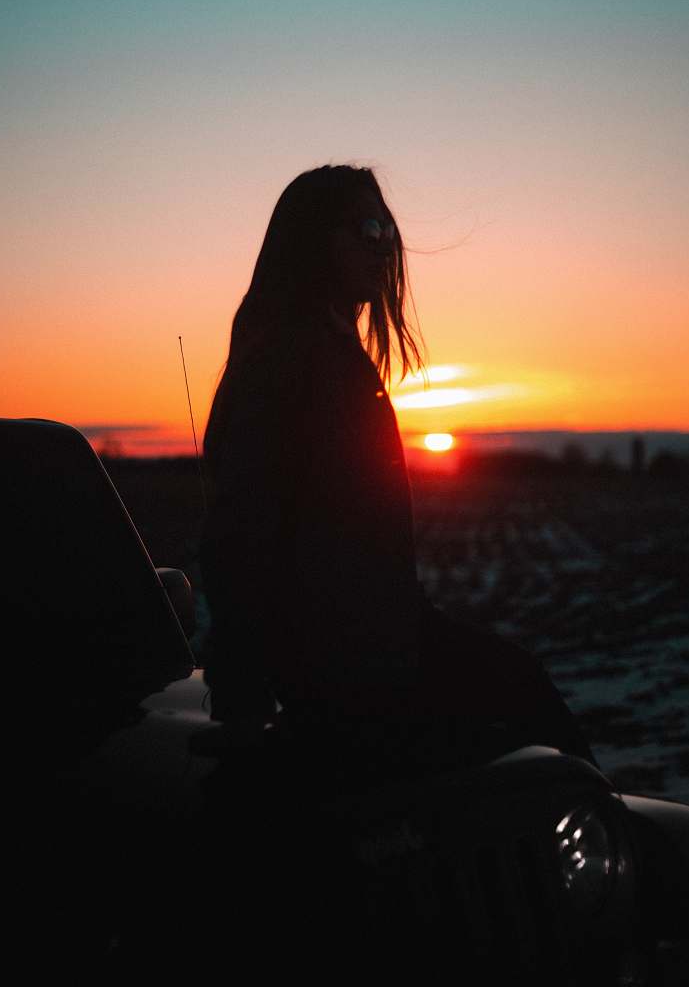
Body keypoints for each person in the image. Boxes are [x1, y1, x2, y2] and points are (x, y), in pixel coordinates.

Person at [199, 164, 594, 764]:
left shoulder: (330, 351)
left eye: (386, 227)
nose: (383, 244)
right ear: (315, 241)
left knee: (520, 706)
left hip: (386, 641)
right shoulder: (286, 361)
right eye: (366, 227)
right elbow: (241, 531)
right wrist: (241, 691)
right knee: (518, 722)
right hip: (344, 665)